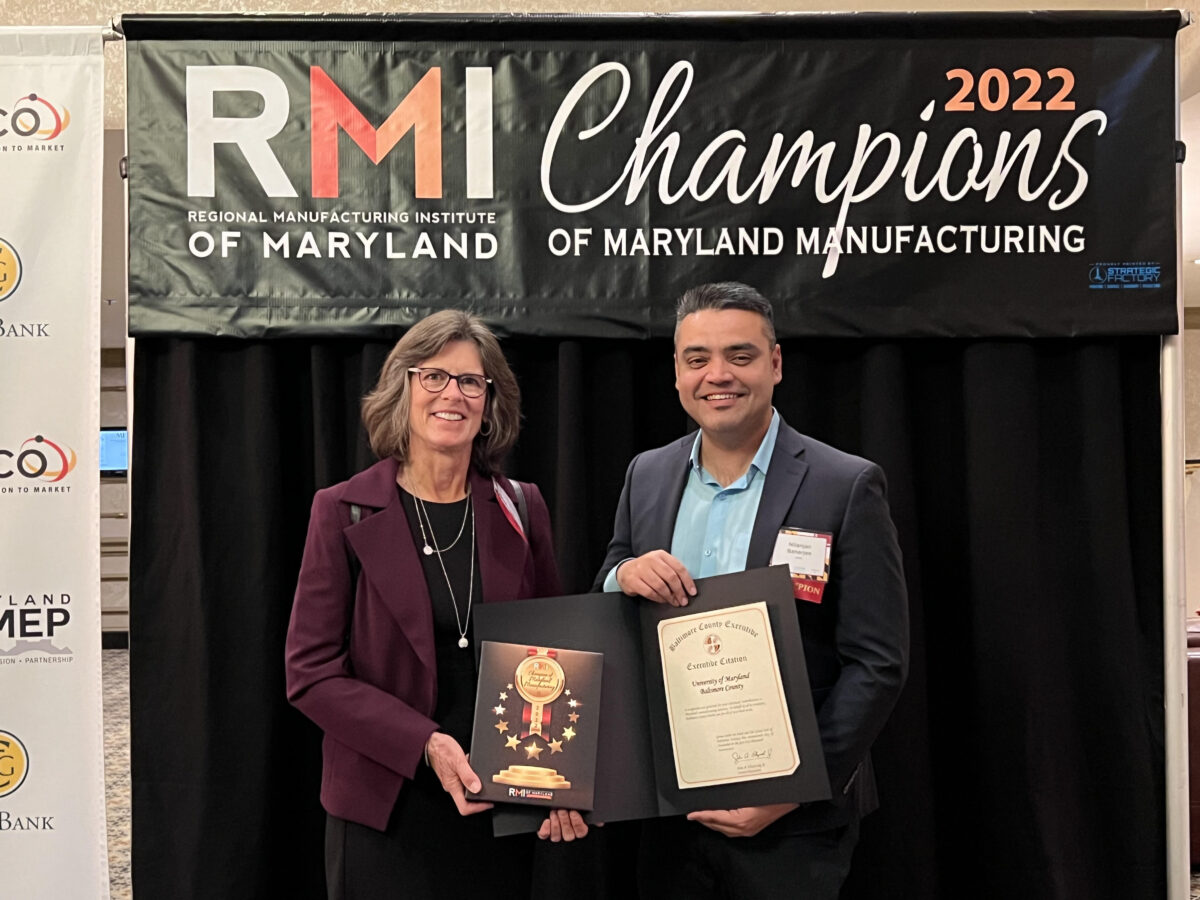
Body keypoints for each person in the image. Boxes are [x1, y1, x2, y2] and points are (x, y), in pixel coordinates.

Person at [594, 283, 908, 899]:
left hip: (794, 827)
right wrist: (621, 575)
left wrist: (791, 787)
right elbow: (611, 576)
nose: (718, 375)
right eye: (697, 359)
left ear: (776, 364)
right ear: (678, 373)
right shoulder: (647, 473)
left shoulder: (845, 485)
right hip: (670, 813)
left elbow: (879, 663)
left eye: (740, 356)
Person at [286, 310, 586, 900]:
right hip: (388, 807)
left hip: (500, 805)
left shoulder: (522, 507)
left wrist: (568, 782)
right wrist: (426, 742)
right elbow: (310, 674)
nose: (453, 394)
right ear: (404, 388)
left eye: (471, 381)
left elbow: (555, 654)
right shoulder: (342, 510)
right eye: (434, 377)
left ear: (489, 402)